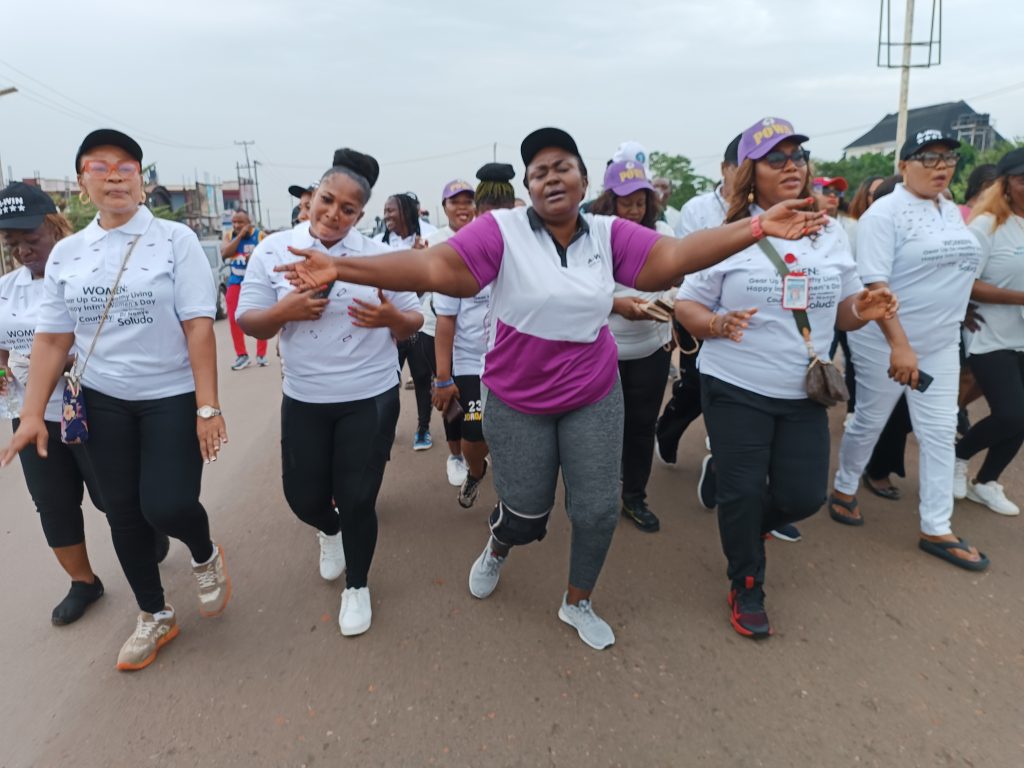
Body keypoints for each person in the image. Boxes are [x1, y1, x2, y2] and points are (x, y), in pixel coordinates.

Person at [276, 126, 826, 650]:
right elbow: (432, 267)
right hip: (517, 401)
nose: (551, 177)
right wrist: (343, 269)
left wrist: (758, 227)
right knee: (526, 514)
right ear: (528, 188)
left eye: (563, 167)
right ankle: (499, 543)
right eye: (538, 171)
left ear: (585, 183)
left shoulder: (610, 235)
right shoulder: (502, 232)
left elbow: (674, 260)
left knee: (595, 511)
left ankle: (577, 602)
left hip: (592, 394)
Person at [1, 129, 231, 670]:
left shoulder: (174, 241)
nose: (114, 176)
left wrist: (208, 406)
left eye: (126, 167)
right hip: (102, 401)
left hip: (170, 396)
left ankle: (204, 553)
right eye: (99, 167)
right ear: (83, 184)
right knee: (123, 513)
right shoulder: (68, 255)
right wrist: (32, 413)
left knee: (167, 504)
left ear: (142, 182)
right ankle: (154, 614)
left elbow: (199, 327)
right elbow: (54, 338)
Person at [675, 117, 897, 639]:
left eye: (798, 156)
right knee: (745, 490)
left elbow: (840, 314)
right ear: (752, 173)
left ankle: (738, 512)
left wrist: (863, 308)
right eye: (777, 159)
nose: (792, 166)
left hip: (803, 389)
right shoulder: (731, 235)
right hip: (736, 386)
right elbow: (686, 303)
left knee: (802, 499)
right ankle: (747, 582)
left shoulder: (828, 231)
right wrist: (715, 325)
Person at [236, 148, 422, 636]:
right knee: (302, 497)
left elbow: (414, 319)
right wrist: (285, 312)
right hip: (305, 397)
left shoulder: (378, 256)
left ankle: (357, 586)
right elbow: (250, 321)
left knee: (359, 497)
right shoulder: (273, 250)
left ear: (361, 215)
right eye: (327, 200)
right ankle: (328, 529)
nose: (333, 214)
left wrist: (391, 320)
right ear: (311, 197)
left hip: (369, 395)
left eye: (348, 209)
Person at [830, 129, 989, 571]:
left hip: (940, 342)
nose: (942, 166)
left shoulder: (949, 211)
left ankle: (937, 527)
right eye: (929, 158)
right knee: (871, 420)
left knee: (938, 431)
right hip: (885, 341)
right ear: (903, 166)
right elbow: (875, 285)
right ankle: (844, 487)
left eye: (949, 158)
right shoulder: (886, 214)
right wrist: (899, 345)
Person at [0, 182, 115, 625]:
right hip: (32, 419)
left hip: (90, 409)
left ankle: (150, 533)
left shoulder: (88, 274)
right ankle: (84, 582)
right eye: (14, 244)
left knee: (111, 497)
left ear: (56, 226)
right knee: (52, 502)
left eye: (32, 240)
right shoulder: (7, 289)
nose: (24, 252)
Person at [589, 160, 672, 531]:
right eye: (627, 203)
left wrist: (668, 301)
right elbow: (577, 291)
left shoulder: (663, 232)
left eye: (641, 202)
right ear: (610, 202)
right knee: (599, 426)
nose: (636, 210)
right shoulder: (591, 235)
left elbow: (678, 279)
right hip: (601, 350)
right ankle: (598, 494)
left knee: (641, 425)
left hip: (651, 348)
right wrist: (616, 305)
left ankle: (634, 496)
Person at [432, 164, 516, 503]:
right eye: (489, 217)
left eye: (505, 217)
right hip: (471, 364)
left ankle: (513, 498)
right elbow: (446, 321)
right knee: (474, 430)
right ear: (478, 216)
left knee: (514, 435)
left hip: (515, 363)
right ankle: (476, 470)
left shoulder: (525, 254)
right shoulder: (459, 258)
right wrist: (441, 377)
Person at [953, 148, 1024, 515]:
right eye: (1022, 179)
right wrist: (1019, 298)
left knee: (1021, 419)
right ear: (1006, 184)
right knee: (1011, 413)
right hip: (990, 335)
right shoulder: (987, 225)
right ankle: (958, 455)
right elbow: (965, 282)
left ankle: (987, 482)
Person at [422, 178, 477, 487]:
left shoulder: (484, 236)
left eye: (468, 201)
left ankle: (476, 442)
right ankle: (455, 454)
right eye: (455, 201)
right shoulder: (433, 241)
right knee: (450, 394)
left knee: (477, 396)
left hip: (474, 333)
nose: (462, 207)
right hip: (436, 330)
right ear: (444, 207)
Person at [377, 193, 436, 450]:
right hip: (389, 325)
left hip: (422, 320)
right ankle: (387, 430)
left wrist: (420, 262)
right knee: (389, 380)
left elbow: (435, 278)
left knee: (422, 377)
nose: (387, 216)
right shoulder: (377, 243)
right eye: (385, 211)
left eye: (392, 211)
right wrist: (410, 261)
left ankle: (423, 429)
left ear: (408, 212)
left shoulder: (432, 237)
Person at [221, 208, 267, 370]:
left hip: (255, 282)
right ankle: (242, 355)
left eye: (240, 222)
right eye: (234, 222)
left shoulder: (259, 236)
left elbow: (267, 256)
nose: (236, 225)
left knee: (261, 317)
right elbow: (225, 253)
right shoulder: (229, 236)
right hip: (236, 281)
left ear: (249, 223)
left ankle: (261, 354)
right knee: (234, 318)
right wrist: (239, 236)